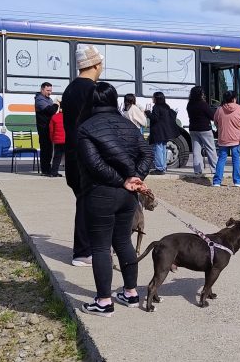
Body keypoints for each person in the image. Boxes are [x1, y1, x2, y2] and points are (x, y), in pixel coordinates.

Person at [75, 82, 153, 317]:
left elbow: (94, 165)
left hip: (100, 193)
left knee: (101, 246)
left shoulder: (85, 128)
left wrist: (123, 180)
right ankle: (130, 293)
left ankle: (104, 301)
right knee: (123, 242)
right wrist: (135, 178)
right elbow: (147, 153)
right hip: (128, 196)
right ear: (113, 100)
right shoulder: (128, 125)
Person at [61, 44, 104, 267]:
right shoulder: (91, 90)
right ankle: (83, 252)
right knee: (89, 203)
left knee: (84, 201)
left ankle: (88, 250)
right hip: (87, 155)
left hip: (72, 153)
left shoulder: (70, 89)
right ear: (96, 64)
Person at [212, 90, 240, 188]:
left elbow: (215, 122)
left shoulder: (219, 109)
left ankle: (217, 181)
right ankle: (237, 181)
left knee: (221, 160)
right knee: (236, 160)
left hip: (223, 139)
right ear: (234, 98)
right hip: (236, 139)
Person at [186, 86, 217, 177]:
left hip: (193, 129)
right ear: (201, 94)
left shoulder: (189, 104)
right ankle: (215, 169)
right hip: (204, 129)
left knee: (196, 150)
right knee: (211, 149)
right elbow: (212, 116)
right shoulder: (203, 104)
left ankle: (197, 171)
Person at [148, 92, 179, 175]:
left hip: (158, 131)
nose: (152, 98)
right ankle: (163, 167)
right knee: (163, 148)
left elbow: (155, 118)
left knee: (158, 149)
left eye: (153, 97)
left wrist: (148, 114)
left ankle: (159, 168)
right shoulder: (166, 106)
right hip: (165, 132)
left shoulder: (156, 107)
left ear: (156, 98)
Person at [34, 82, 58, 175]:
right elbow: (51, 110)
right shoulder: (40, 100)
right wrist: (56, 104)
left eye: (51, 90)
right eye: (48, 90)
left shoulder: (48, 99)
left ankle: (49, 170)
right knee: (45, 150)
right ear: (42, 89)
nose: (50, 92)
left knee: (49, 150)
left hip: (49, 128)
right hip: (43, 128)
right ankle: (45, 171)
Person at [47, 100, 66, 177]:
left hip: (58, 141)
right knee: (69, 158)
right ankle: (71, 173)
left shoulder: (54, 117)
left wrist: (52, 139)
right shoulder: (70, 117)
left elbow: (51, 130)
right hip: (67, 140)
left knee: (57, 157)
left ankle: (54, 172)